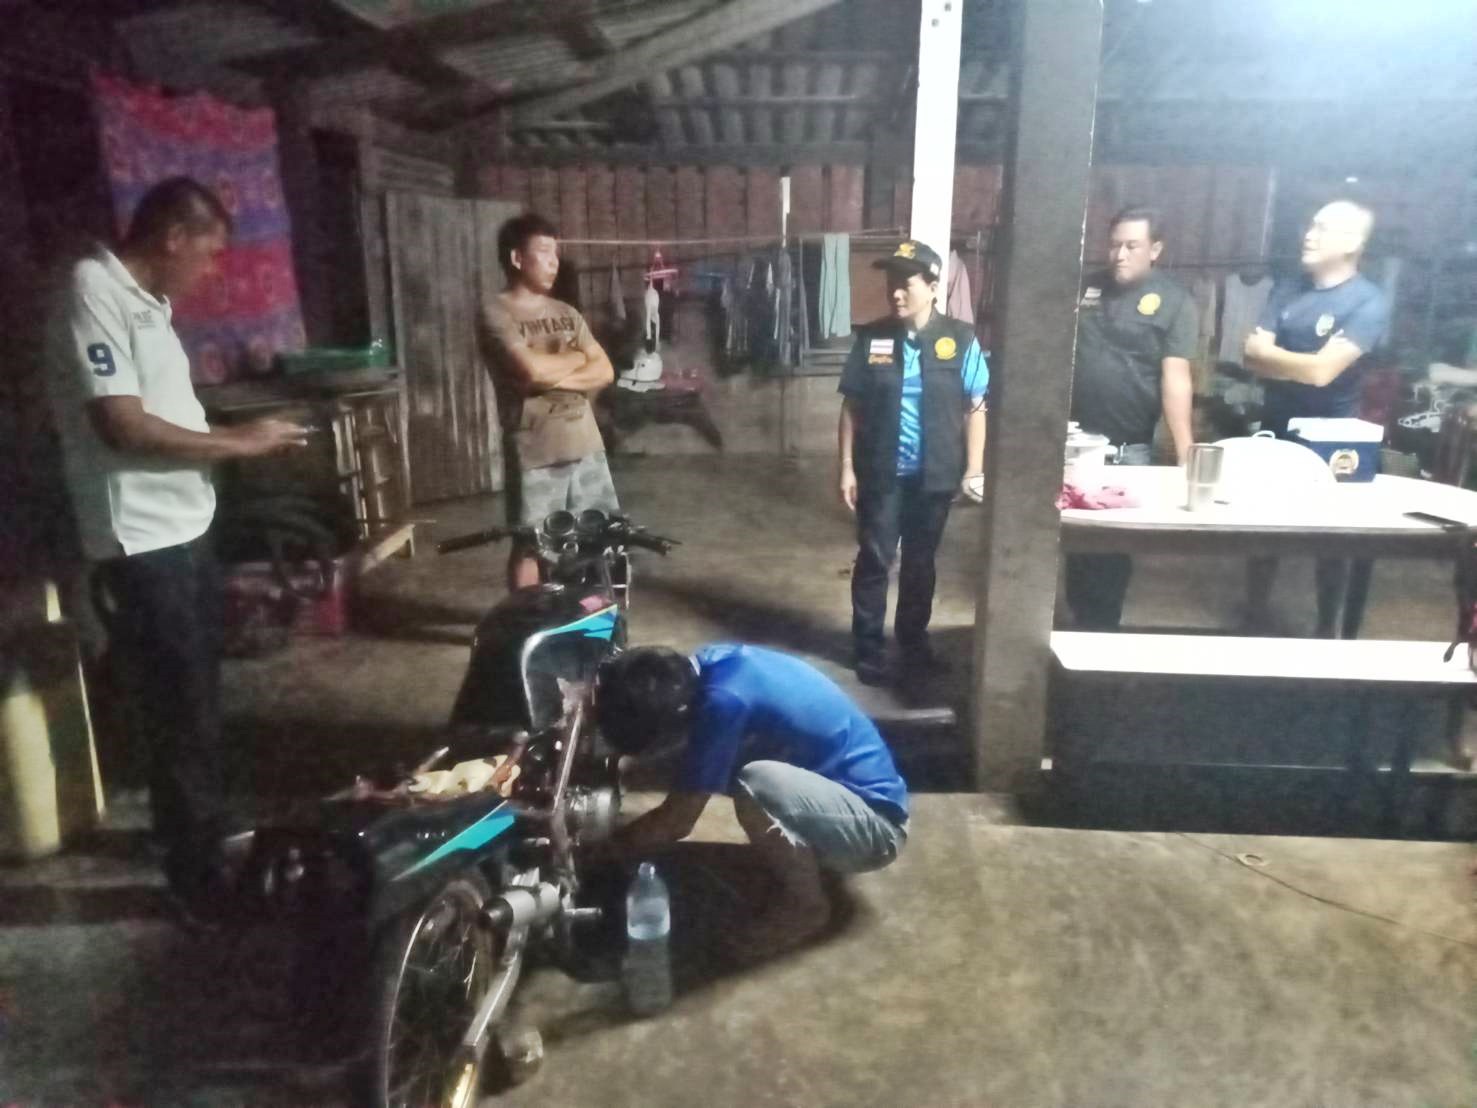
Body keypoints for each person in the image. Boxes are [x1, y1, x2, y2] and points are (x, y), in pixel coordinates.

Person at [44, 176, 307, 915]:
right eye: (209, 253)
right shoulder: (92, 288)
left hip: (183, 523)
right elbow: (121, 424)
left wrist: (230, 441)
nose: (212, 270)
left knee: (196, 693)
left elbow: (163, 411)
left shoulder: (147, 304)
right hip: (142, 535)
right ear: (173, 237)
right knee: (177, 703)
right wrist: (239, 442)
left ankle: (197, 828)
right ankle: (198, 880)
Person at [595, 644, 908, 956]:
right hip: (840, 799)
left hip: (875, 829)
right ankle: (797, 858)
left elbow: (678, 821)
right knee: (703, 765)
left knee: (754, 784)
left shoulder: (725, 702)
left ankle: (807, 906)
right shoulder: (712, 664)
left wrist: (604, 850)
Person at [837, 239, 989, 686]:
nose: (896, 292)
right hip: (881, 473)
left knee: (921, 562)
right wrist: (846, 465)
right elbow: (851, 406)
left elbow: (975, 406)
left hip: (934, 476)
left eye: (906, 284)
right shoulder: (872, 338)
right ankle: (868, 648)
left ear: (933, 286)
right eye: (892, 283)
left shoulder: (960, 339)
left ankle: (913, 642)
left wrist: (973, 467)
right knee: (875, 560)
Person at [1243, 200, 1390, 636]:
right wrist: (1300, 364)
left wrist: (1276, 359)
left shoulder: (1368, 301)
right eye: (1311, 225)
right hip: (1276, 428)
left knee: (1333, 540)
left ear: (1353, 243)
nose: (1309, 234)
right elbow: (1250, 356)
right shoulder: (1288, 288)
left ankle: (1328, 629)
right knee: (1263, 531)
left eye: (1323, 228)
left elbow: (1323, 373)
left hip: (1333, 437)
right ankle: (1253, 615)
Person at [1065, 206, 1197, 630]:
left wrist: (1186, 451)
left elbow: (1176, 377)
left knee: (1112, 549)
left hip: (1127, 449)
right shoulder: (1085, 288)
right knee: (1074, 542)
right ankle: (1078, 626)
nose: (1119, 255)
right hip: (1074, 445)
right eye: (1114, 245)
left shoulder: (1175, 302)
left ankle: (1102, 629)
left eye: (1131, 246)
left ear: (1155, 249)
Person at [480, 213, 618, 589]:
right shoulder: (496, 312)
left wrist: (552, 372)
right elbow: (532, 371)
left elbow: (605, 370)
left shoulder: (567, 313)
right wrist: (576, 359)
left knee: (598, 537)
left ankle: (588, 613)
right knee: (532, 545)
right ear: (516, 258)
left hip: (586, 444)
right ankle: (527, 617)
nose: (554, 262)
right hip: (535, 449)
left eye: (556, 253)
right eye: (543, 251)